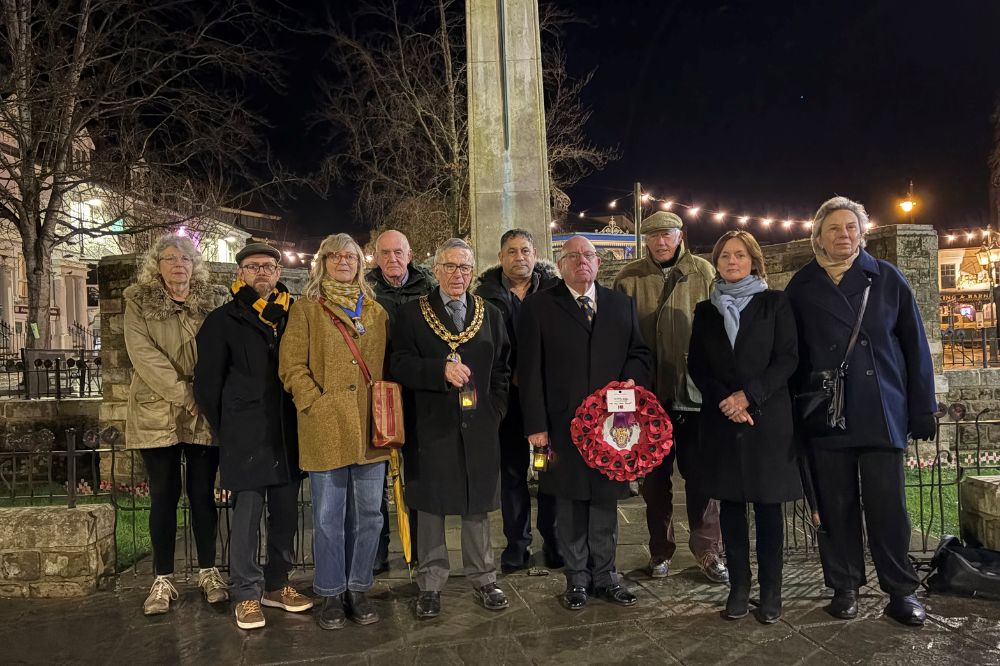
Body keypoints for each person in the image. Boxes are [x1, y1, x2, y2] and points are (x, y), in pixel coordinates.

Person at [785, 196, 936, 626]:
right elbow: (791, 354)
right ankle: (845, 584)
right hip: (827, 414)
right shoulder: (802, 286)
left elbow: (915, 347)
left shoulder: (887, 278)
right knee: (835, 506)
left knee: (889, 507)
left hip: (881, 409)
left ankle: (900, 590)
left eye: (851, 227)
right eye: (834, 228)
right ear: (818, 235)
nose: (843, 235)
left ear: (862, 233)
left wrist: (922, 408)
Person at [519, 235, 652, 611]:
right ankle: (577, 578)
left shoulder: (620, 305)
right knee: (570, 504)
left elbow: (639, 353)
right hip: (562, 426)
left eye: (589, 256)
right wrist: (536, 425)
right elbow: (529, 372)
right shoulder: (539, 308)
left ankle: (606, 575)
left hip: (613, 427)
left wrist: (631, 379)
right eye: (573, 256)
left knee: (605, 503)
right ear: (560, 266)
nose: (582, 262)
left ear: (598, 263)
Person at [390, 238, 511, 619]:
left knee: (478, 505)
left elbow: (504, 367)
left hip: (479, 426)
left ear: (473, 272)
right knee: (431, 507)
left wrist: (495, 410)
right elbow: (398, 364)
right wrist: (437, 370)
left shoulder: (490, 313)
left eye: (465, 267)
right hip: (431, 426)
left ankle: (484, 578)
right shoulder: (412, 314)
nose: (458, 274)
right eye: (450, 266)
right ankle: (430, 583)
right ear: (435, 270)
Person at [194, 242, 312, 631]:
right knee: (246, 516)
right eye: (253, 266)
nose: (262, 272)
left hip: (287, 430)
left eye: (268, 266)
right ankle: (246, 591)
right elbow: (208, 385)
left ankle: (277, 584)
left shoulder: (295, 315)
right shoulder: (222, 319)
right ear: (240, 273)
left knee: (284, 515)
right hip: (245, 433)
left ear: (278, 272)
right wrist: (228, 427)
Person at [687, 230, 802, 624]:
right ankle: (739, 587)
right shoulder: (706, 311)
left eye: (739, 255)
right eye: (724, 257)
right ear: (716, 263)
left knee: (769, 511)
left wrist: (748, 397)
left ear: (754, 260)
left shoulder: (776, 303)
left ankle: (771, 593)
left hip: (767, 420)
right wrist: (728, 401)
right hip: (723, 421)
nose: (731, 262)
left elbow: (787, 359)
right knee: (731, 510)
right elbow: (698, 366)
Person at [279, 233, 391, 630]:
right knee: (327, 517)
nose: (344, 262)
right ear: (322, 262)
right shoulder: (306, 309)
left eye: (351, 257)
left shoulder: (377, 313)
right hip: (325, 425)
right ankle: (329, 591)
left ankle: (358, 587)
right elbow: (291, 366)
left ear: (361, 265)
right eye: (335, 256)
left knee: (369, 516)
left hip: (369, 428)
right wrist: (315, 402)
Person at [613, 211, 727, 583]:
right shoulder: (628, 278)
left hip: (693, 393)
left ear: (680, 236)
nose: (661, 241)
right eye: (653, 235)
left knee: (702, 479)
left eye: (668, 234)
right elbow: (619, 337)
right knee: (654, 482)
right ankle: (660, 551)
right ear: (645, 240)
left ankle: (709, 550)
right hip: (649, 396)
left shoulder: (704, 272)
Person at [123, 233, 230, 616]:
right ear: (158, 265)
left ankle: (208, 571)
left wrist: (206, 393)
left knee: (202, 494)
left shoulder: (213, 300)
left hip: (203, 411)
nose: (178, 263)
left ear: (194, 264)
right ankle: (163, 578)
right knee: (163, 496)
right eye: (169, 257)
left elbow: (221, 349)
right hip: (158, 408)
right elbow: (143, 355)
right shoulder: (138, 301)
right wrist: (187, 395)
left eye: (185, 257)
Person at [474, 228, 563, 573]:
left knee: (550, 470)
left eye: (525, 250)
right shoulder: (484, 295)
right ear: (501, 257)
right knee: (511, 473)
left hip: (547, 396)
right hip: (507, 398)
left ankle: (554, 540)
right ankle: (517, 544)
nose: (519, 257)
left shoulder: (556, 291)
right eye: (511, 251)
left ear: (535, 253)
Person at [365, 229, 437, 574]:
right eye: (385, 253)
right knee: (376, 477)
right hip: (377, 392)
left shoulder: (428, 289)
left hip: (418, 392)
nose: (392, 259)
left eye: (399, 252)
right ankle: (377, 552)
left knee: (420, 476)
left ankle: (421, 550)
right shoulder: (364, 290)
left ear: (410, 255)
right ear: (375, 257)